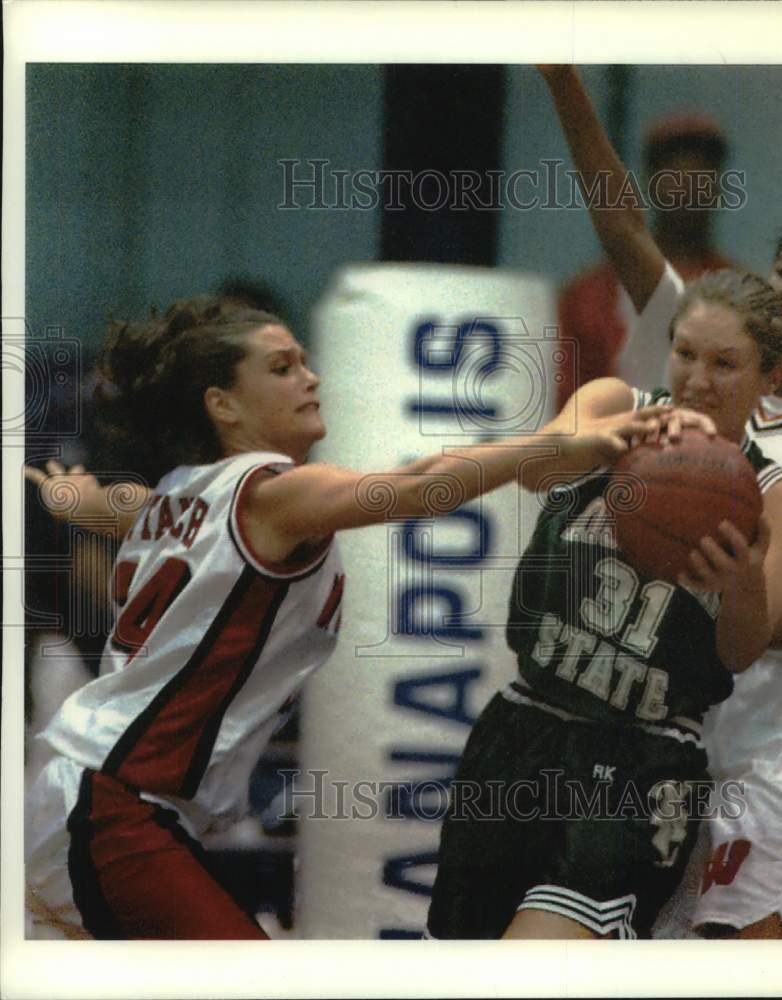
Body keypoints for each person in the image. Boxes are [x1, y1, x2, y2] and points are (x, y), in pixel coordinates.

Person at [23, 294, 711, 940]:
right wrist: (560, 448)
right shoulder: (276, 493)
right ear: (223, 405)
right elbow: (418, 484)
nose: (310, 377)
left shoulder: (175, 494)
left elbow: (107, 508)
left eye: (305, 360)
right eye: (282, 367)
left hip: (88, 793)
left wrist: (64, 497)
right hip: (112, 805)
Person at [538, 64, 782, 939]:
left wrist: (688, 608)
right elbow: (619, 224)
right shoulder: (720, 377)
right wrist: (560, 81)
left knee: (739, 944)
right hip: (688, 721)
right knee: (657, 940)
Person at [426, 268, 782, 939]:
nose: (697, 379)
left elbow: (740, 651)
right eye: (685, 353)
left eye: (725, 364)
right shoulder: (610, 402)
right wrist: (592, 446)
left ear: (770, 378)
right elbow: (533, 471)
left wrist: (742, 576)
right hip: (521, 728)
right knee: (459, 968)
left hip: (641, 761)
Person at [556, 108, 734, 407]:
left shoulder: (739, 290)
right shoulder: (587, 296)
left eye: (701, 174)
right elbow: (568, 406)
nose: (688, 186)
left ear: (719, 185)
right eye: (675, 174)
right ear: (650, 182)